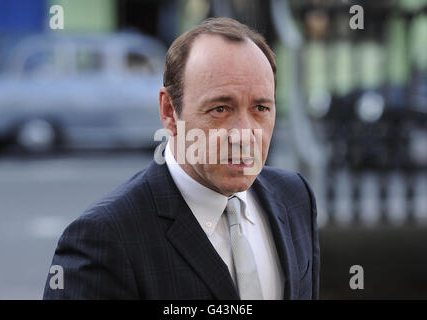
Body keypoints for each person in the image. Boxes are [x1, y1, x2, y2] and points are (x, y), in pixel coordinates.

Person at [43, 17, 320, 300]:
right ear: (168, 111)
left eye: (260, 107)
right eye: (220, 109)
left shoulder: (295, 197)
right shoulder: (104, 239)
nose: (243, 135)